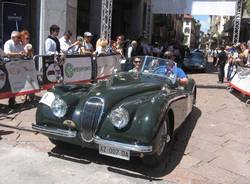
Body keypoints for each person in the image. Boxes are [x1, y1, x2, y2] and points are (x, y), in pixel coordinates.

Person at [4, 31, 26, 108]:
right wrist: (18, 54)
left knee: (16, 84)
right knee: (10, 84)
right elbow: (6, 53)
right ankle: (11, 102)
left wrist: (23, 53)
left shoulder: (19, 44)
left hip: (18, 66)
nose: (20, 39)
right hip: (10, 66)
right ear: (13, 37)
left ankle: (12, 101)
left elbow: (22, 52)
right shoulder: (8, 43)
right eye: (18, 37)